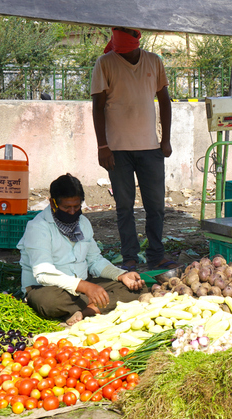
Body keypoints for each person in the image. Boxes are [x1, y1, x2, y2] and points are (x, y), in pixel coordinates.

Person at [91, 26, 179, 272]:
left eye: (126, 30)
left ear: (136, 36)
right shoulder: (105, 63)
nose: (122, 33)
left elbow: (164, 101)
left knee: (156, 206)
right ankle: (129, 256)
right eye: (119, 30)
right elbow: (97, 106)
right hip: (117, 150)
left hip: (150, 148)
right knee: (124, 207)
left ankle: (156, 255)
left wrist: (166, 139)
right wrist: (102, 146)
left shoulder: (153, 61)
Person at [18, 174, 147, 325]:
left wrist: (121, 276)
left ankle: (86, 311)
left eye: (76, 206)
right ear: (53, 204)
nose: (73, 212)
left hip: (83, 286)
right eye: (67, 207)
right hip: (47, 289)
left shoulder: (83, 223)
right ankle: (100, 303)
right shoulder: (38, 227)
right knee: (48, 302)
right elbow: (43, 273)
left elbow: (94, 260)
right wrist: (85, 287)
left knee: (139, 289)